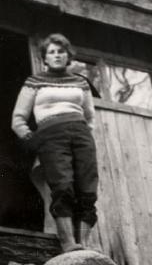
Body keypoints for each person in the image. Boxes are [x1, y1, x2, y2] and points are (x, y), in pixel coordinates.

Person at [11, 33, 99, 252]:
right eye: (52, 52)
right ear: (45, 58)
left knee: (87, 188)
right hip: (50, 135)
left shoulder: (80, 82)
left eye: (61, 52)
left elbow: (90, 115)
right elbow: (18, 119)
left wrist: (85, 133)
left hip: (80, 134)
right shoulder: (35, 82)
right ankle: (68, 243)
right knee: (62, 186)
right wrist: (33, 140)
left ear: (68, 56)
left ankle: (83, 244)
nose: (57, 55)